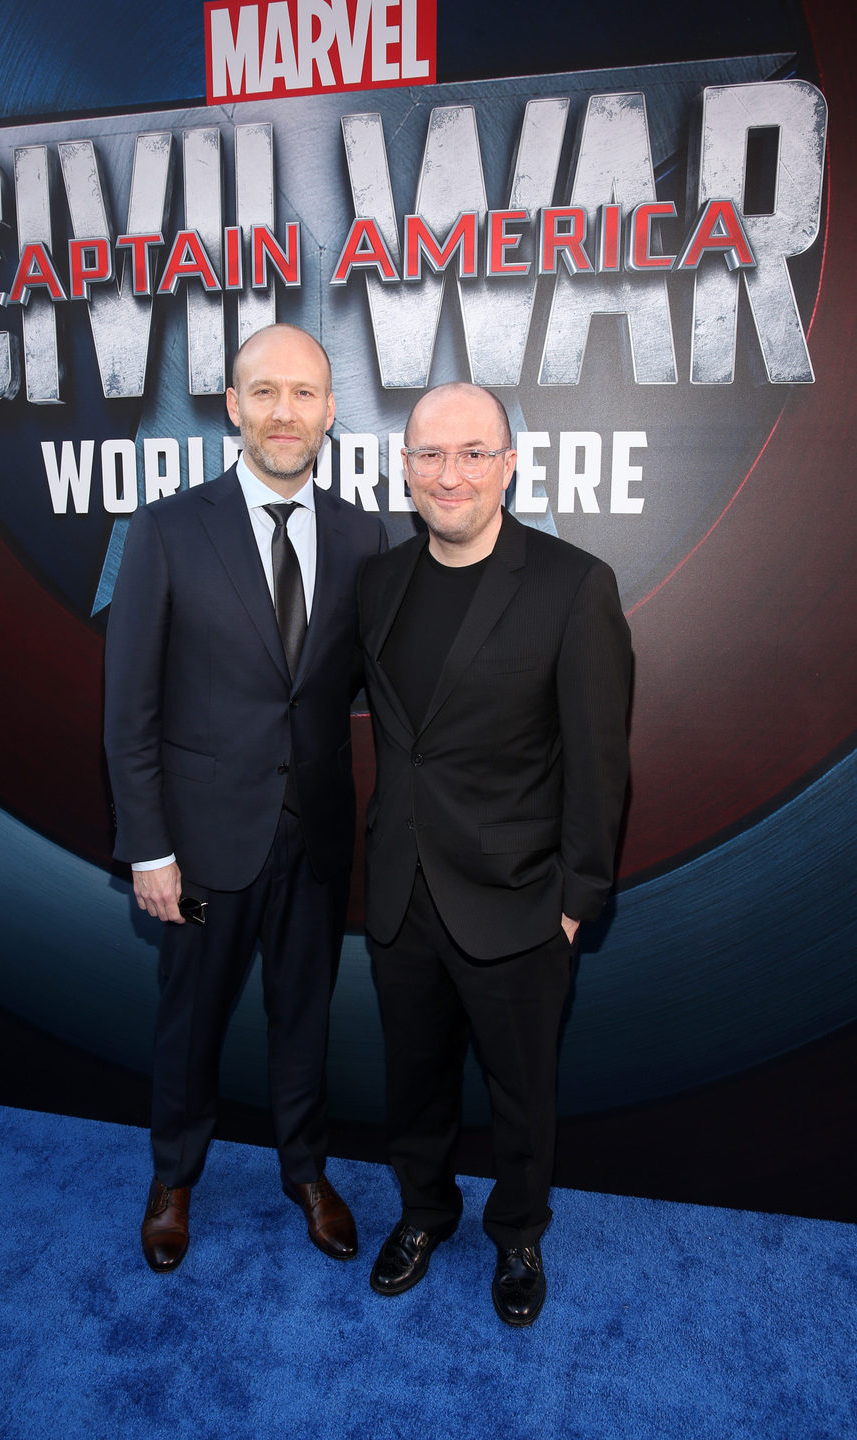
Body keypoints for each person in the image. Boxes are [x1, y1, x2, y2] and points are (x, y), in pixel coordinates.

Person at [104, 323, 386, 1272]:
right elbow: (128, 709)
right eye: (263, 392)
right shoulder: (169, 528)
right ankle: (174, 1176)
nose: (284, 413)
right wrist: (148, 849)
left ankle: (305, 1168)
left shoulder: (362, 536)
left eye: (303, 394)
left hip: (314, 835)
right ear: (231, 407)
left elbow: (358, 689)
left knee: (305, 1016)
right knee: (189, 1023)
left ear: (331, 411)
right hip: (200, 843)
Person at [358, 382, 631, 1326]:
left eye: (475, 452)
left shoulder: (572, 583)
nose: (451, 473)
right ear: (406, 469)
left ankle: (517, 1231)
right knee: (414, 1080)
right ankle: (425, 1213)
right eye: (431, 454)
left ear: (510, 464)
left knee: (523, 1093)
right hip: (399, 893)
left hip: (519, 898)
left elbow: (599, 759)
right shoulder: (380, 582)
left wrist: (573, 900)